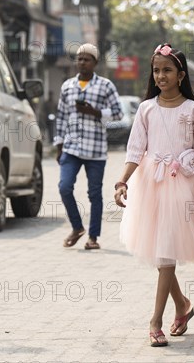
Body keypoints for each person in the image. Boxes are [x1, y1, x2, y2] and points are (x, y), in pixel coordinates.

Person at [114, 43, 194, 347]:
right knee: (163, 254)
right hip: (151, 185)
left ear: (180, 75)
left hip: (183, 187)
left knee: (165, 256)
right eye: (156, 70)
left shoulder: (193, 109)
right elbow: (135, 150)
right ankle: (182, 305)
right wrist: (122, 181)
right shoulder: (146, 108)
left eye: (167, 70)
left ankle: (155, 322)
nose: (160, 76)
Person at [55, 43, 123, 250]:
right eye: (79, 58)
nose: (82, 62)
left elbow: (119, 113)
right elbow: (61, 117)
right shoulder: (67, 86)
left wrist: (97, 113)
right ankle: (77, 227)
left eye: (86, 59)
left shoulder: (106, 85)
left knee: (94, 195)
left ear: (95, 62)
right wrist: (58, 145)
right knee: (64, 187)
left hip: (95, 150)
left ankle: (93, 237)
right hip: (71, 147)